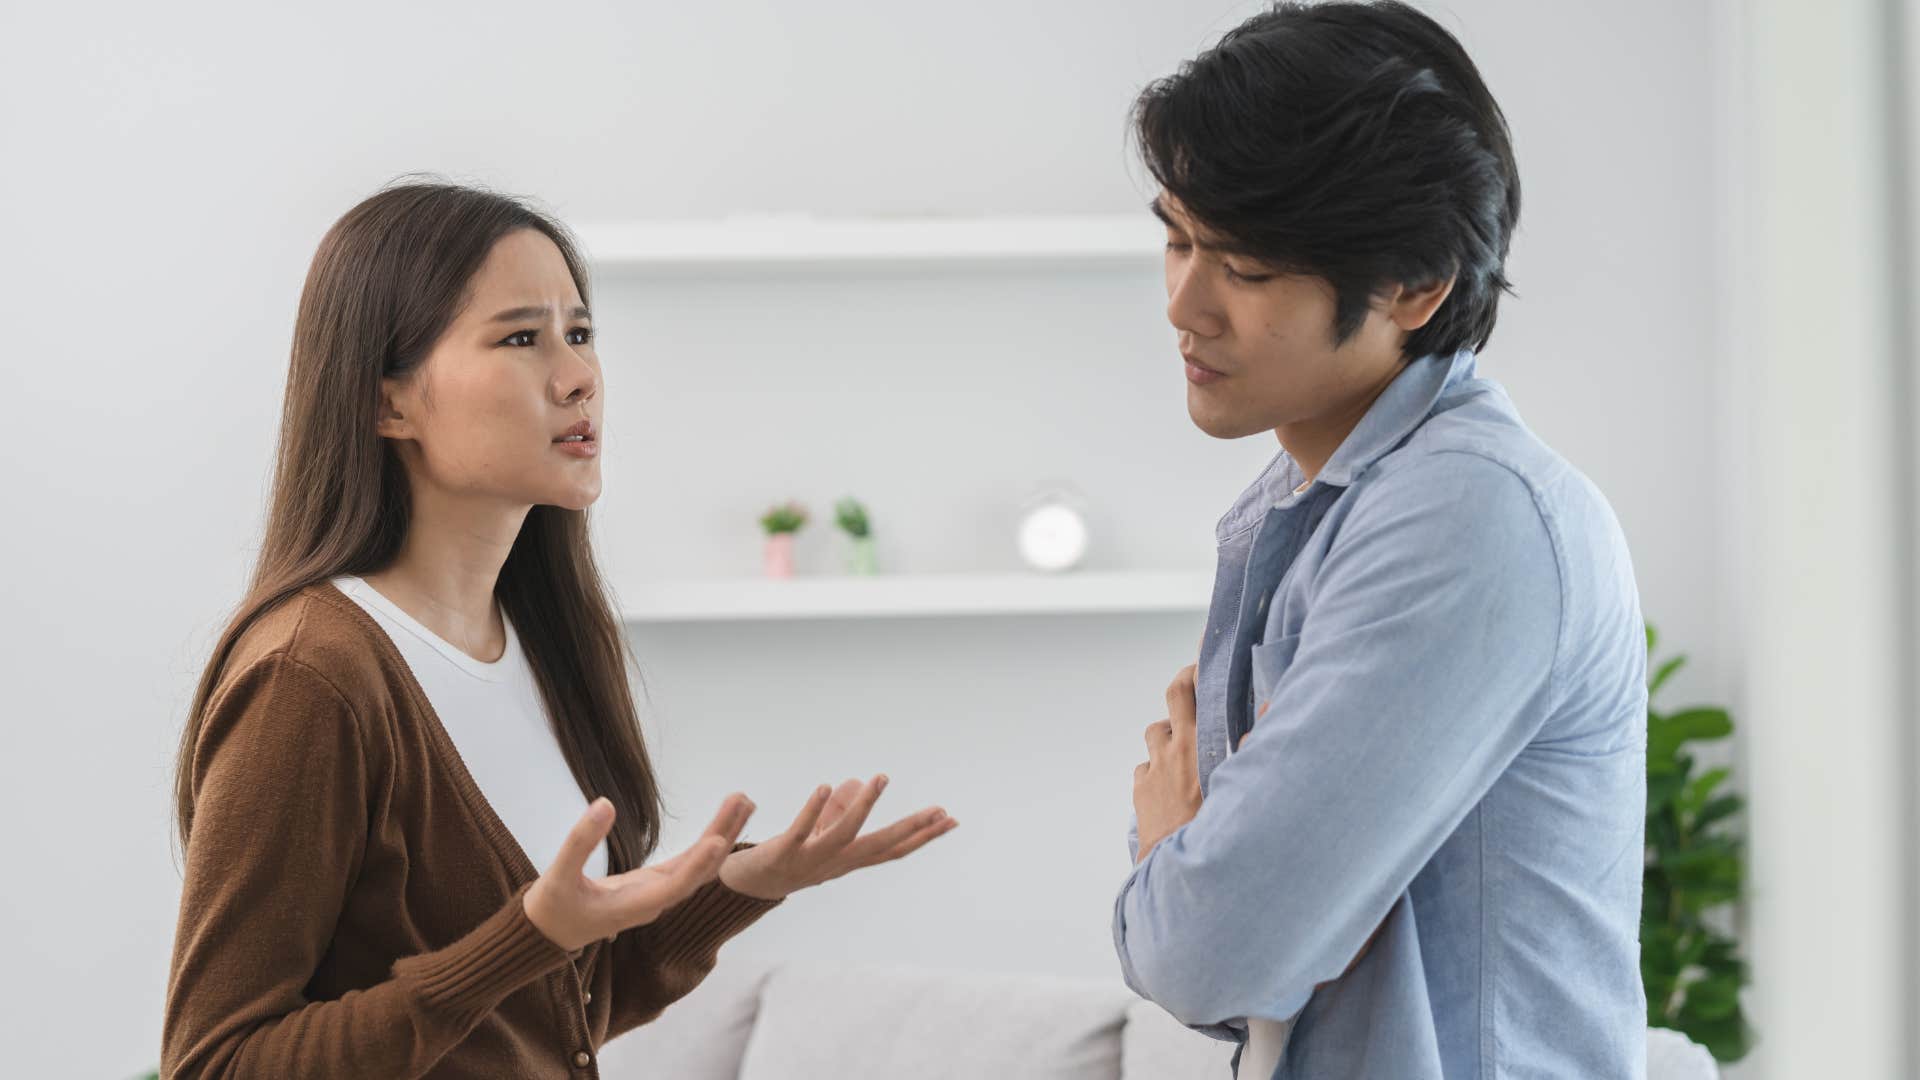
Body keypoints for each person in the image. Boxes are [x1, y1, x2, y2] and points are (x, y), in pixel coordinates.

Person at [161, 181, 958, 1078]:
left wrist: (736, 886)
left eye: (579, 334)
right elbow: (215, 1063)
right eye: (520, 339)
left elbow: (554, 1010)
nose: (579, 376)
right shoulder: (313, 674)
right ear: (389, 405)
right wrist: (523, 937)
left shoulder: (536, 641)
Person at [1111, 4, 1649, 1077]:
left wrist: (1178, 846)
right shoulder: (1312, 501)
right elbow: (1231, 962)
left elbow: (1204, 954)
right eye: (1177, 238)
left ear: (1414, 285)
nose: (1185, 304)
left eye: (1245, 268)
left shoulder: (1467, 513)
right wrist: (1199, 874)